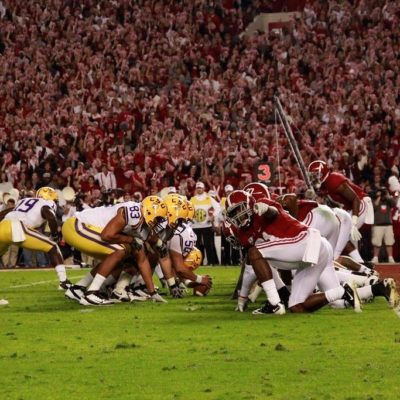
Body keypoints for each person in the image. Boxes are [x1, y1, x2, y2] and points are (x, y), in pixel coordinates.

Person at [225, 190, 361, 314]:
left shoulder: (263, 205)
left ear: (249, 204)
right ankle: (342, 292)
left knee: (255, 252)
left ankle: (274, 304)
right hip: (309, 251)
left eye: (239, 210)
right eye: (233, 213)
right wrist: (242, 298)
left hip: (307, 240)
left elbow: (274, 212)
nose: (238, 216)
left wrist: (266, 209)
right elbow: (251, 268)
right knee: (296, 307)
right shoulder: (243, 234)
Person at [62, 196, 168, 305]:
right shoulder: (133, 213)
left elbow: (142, 260)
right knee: (119, 251)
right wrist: (130, 239)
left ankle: (78, 288)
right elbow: (106, 235)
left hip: (83, 229)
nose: (158, 222)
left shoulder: (143, 227)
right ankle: (91, 294)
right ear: (150, 212)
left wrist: (152, 292)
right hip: (77, 225)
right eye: (158, 218)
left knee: (120, 259)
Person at [0, 187, 71, 289]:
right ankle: (64, 282)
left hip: (3, 226)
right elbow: (51, 217)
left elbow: (5, 212)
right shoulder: (46, 203)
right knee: (53, 247)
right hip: (17, 227)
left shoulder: (24, 200)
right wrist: (55, 235)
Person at [308, 160, 374, 264]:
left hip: (359, 203)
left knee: (341, 235)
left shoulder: (333, 180)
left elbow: (355, 199)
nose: (314, 177)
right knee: (341, 235)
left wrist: (354, 221)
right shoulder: (324, 184)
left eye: (316, 174)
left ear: (323, 172)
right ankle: (360, 262)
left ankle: (334, 258)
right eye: (312, 175)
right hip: (349, 208)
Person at [190, 181, 220, 265]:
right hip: (195, 226)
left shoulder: (208, 198)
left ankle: (211, 262)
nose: (199, 189)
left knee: (209, 245)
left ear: (203, 189)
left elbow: (218, 207)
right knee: (196, 247)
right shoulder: (192, 199)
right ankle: (197, 263)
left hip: (207, 225)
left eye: (200, 188)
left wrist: (213, 216)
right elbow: (188, 210)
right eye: (198, 188)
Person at [370, 188, 396, 264]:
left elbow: (394, 204)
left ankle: (390, 257)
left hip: (388, 224)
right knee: (376, 242)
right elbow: (374, 206)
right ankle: (375, 257)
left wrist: (387, 195)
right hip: (377, 225)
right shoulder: (374, 200)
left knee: (389, 242)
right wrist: (378, 197)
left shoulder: (388, 201)